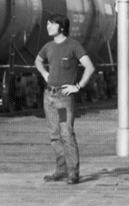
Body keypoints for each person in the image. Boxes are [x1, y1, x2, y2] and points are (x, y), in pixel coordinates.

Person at [34, 13, 95, 185]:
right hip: (49, 97)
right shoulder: (48, 46)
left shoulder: (73, 46)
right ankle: (61, 170)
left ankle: (73, 173)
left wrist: (78, 86)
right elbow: (38, 61)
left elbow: (90, 67)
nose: (48, 27)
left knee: (66, 134)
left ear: (61, 27)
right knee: (54, 135)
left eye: (51, 24)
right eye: (47, 24)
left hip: (63, 99)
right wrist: (45, 73)